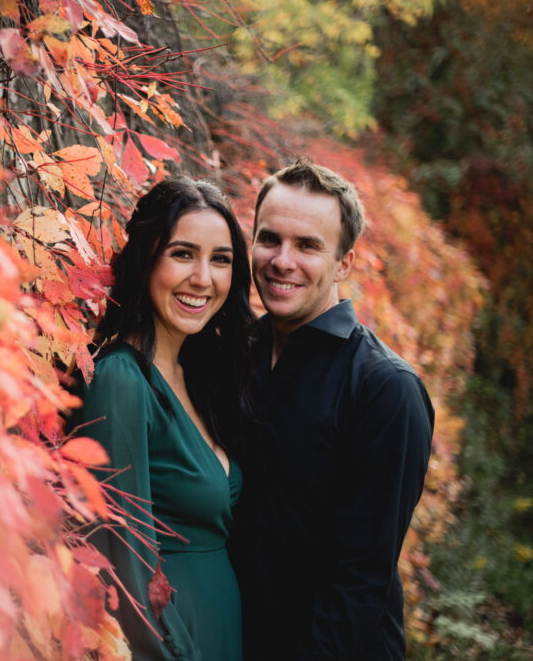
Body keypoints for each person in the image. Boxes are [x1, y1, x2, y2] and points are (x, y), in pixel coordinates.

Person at [230, 160, 434, 660]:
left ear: (344, 263)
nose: (281, 260)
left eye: (307, 245)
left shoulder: (385, 389)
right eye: (269, 238)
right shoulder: (235, 357)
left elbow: (360, 582)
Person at [70, 178, 255, 659]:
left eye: (220, 259)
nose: (203, 278)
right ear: (146, 259)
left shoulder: (198, 374)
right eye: (182, 254)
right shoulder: (120, 379)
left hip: (221, 632)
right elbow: (123, 559)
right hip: (174, 641)